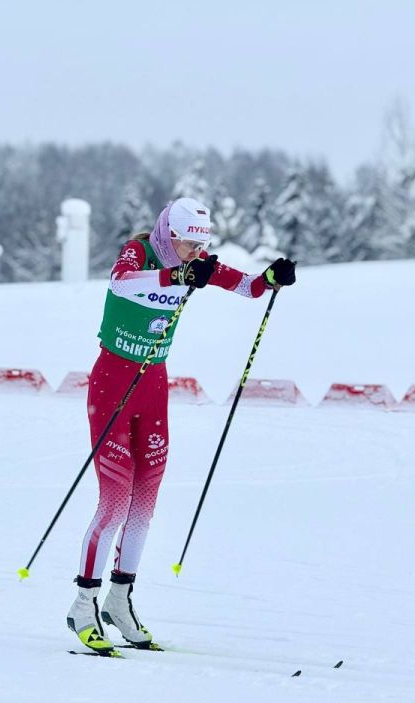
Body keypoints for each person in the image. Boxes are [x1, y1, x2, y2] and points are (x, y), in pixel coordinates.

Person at [66, 197, 296, 655]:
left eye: (201, 245)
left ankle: (119, 599)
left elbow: (248, 287)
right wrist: (176, 275)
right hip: (113, 382)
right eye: (189, 244)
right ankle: (83, 604)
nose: (196, 252)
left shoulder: (195, 264)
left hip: (152, 384)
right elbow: (120, 283)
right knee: (114, 501)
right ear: (168, 236)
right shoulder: (140, 252)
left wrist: (271, 279)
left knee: (145, 500)